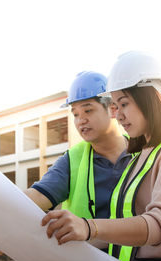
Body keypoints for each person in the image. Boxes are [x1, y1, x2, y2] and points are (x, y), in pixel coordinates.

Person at [41, 52, 161, 261]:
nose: (119, 115)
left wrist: (89, 227)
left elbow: (159, 225)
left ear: (150, 98)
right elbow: (125, 234)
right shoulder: (143, 155)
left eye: (124, 104)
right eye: (115, 106)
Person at [25, 71, 131, 224]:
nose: (81, 120)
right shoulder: (72, 159)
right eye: (75, 114)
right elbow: (38, 197)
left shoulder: (144, 153)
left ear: (113, 109)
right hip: (89, 248)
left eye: (88, 110)